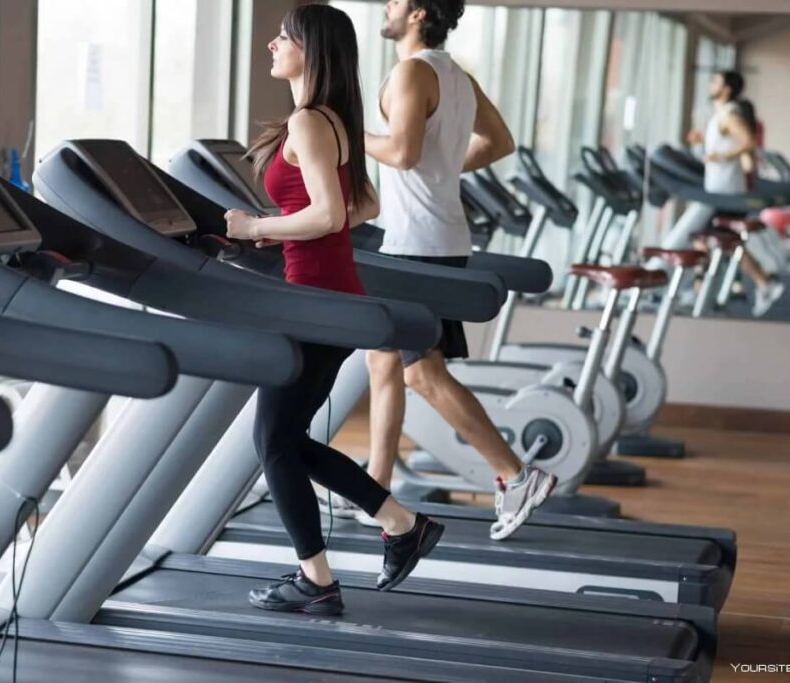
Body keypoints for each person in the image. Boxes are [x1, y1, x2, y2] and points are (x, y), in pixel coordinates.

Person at [223, 3, 444, 616]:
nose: (272, 44)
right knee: (284, 440)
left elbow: (327, 213)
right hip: (326, 295)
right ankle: (397, 527)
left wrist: (256, 225)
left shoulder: (308, 123)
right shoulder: (331, 119)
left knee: (272, 441)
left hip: (315, 302)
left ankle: (321, 578)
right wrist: (289, 232)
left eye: (284, 37)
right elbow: (362, 205)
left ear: (309, 50)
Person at [350, 0, 556, 541]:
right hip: (430, 236)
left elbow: (399, 153)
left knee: (422, 371)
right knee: (384, 362)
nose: (387, 7)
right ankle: (377, 486)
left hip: (418, 243)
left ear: (418, 13)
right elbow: (500, 142)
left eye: (396, 0)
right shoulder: (455, 75)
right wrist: (443, 168)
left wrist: (344, 134)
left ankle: (516, 474)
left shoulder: (414, 71)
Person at [669, 70, 784, 316]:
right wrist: (704, 143)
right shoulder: (722, 114)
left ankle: (700, 291)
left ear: (727, 88)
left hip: (727, 192)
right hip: (721, 190)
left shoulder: (730, 114)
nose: (711, 85)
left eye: (715, 82)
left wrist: (720, 156)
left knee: (702, 238)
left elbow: (749, 141)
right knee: (720, 242)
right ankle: (758, 283)